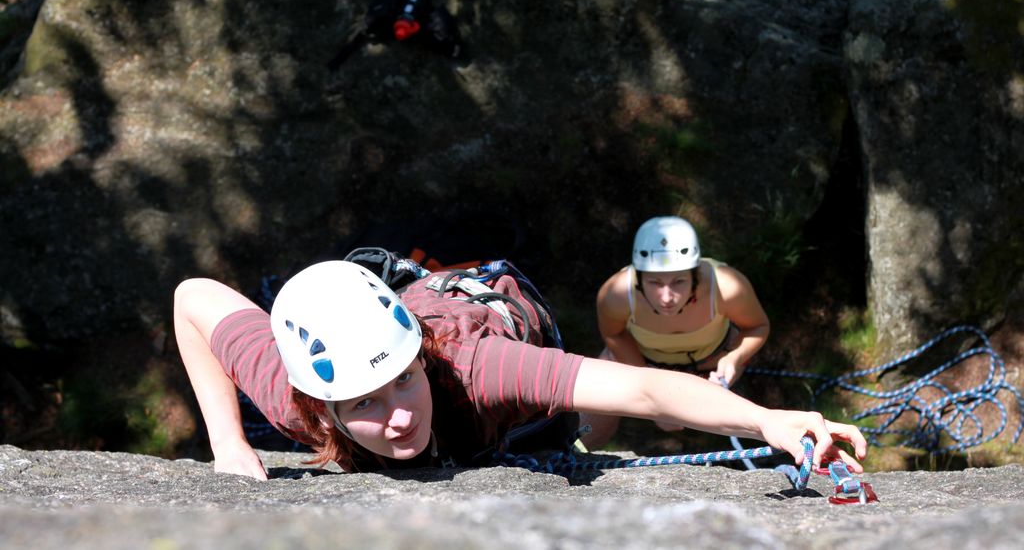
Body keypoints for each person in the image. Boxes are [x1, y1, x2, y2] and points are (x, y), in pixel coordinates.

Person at [173, 258, 865, 480]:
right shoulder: (296, 394)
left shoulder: (482, 369)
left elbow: (647, 386)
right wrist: (228, 441)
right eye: (368, 404)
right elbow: (192, 299)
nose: (402, 414)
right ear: (323, 409)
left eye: (404, 380)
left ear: (419, 358)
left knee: (565, 430)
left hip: (490, 314)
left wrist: (767, 418)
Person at [580, 216, 771, 446]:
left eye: (679, 281)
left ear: (695, 275)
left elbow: (757, 326)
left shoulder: (726, 287)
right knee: (593, 414)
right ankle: (575, 456)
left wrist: (735, 358)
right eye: (655, 283)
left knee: (719, 419)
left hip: (714, 363)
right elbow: (614, 334)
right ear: (638, 279)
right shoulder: (617, 295)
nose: (667, 297)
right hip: (644, 362)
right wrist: (651, 396)